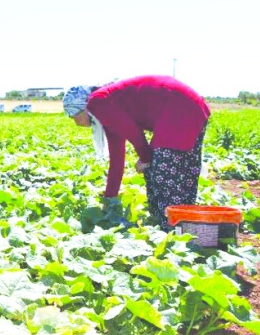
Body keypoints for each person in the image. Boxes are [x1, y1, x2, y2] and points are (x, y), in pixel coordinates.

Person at [62, 75, 211, 230]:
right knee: (180, 174)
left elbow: (133, 132)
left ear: (82, 107)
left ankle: (174, 230)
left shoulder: (97, 102)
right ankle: (184, 228)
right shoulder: (107, 105)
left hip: (178, 108)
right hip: (190, 107)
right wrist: (109, 200)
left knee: (161, 174)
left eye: (74, 116)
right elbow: (117, 161)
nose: (76, 123)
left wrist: (145, 158)